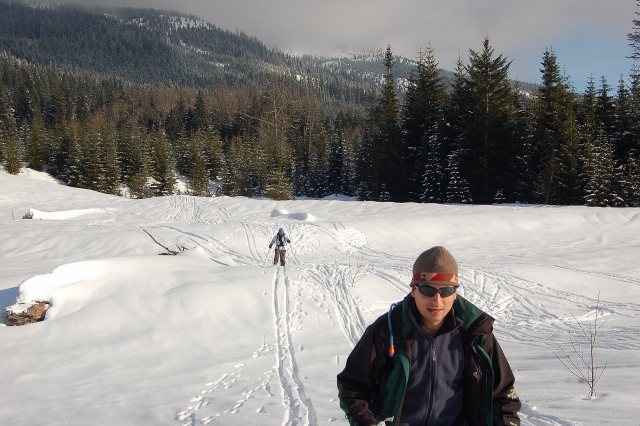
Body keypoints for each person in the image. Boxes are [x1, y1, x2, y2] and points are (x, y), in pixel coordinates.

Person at [337, 246, 521, 426]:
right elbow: (352, 385)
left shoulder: (475, 334)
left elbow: (504, 396)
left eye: (446, 290)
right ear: (414, 290)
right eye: (427, 290)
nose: (437, 300)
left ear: (455, 293)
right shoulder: (388, 331)